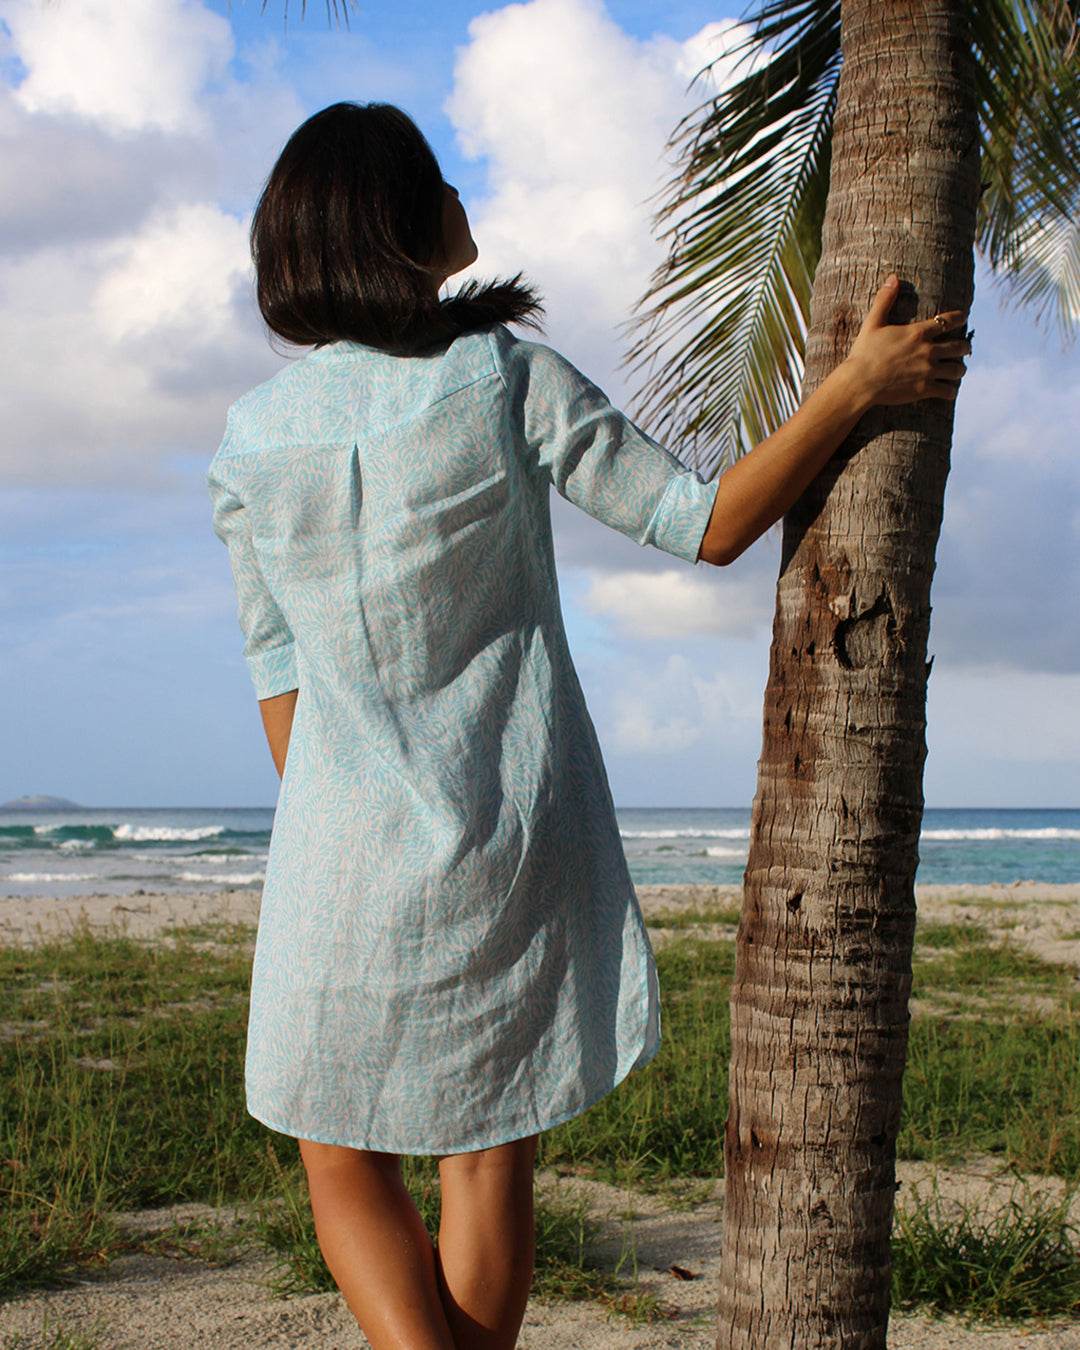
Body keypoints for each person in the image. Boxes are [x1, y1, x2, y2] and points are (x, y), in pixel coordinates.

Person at [209, 101, 969, 1350]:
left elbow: (276, 667)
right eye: (438, 182)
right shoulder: (500, 381)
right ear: (394, 223)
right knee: (485, 1150)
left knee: (336, 1152)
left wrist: (360, 815)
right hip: (506, 828)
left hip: (332, 853)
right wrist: (855, 386)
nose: (463, 196)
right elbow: (705, 522)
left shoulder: (251, 439)